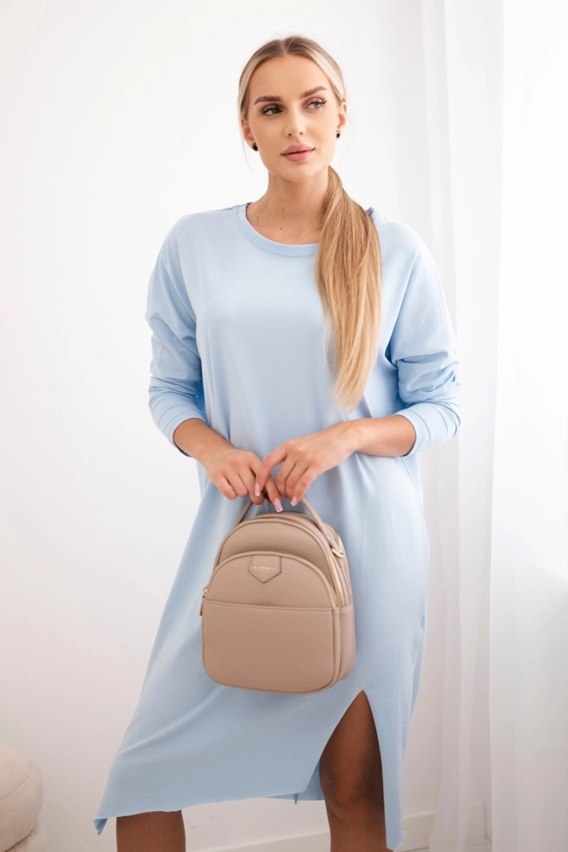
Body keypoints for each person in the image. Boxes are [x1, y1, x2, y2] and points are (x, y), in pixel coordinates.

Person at [93, 34, 461, 852]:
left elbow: (441, 406)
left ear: (341, 114)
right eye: (272, 108)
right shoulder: (195, 245)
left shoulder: (394, 250)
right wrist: (212, 450)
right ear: (246, 128)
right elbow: (170, 390)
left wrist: (347, 436)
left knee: (354, 790)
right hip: (236, 542)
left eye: (313, 102)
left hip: (369, 551)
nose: (296, 124)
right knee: (146, 776)